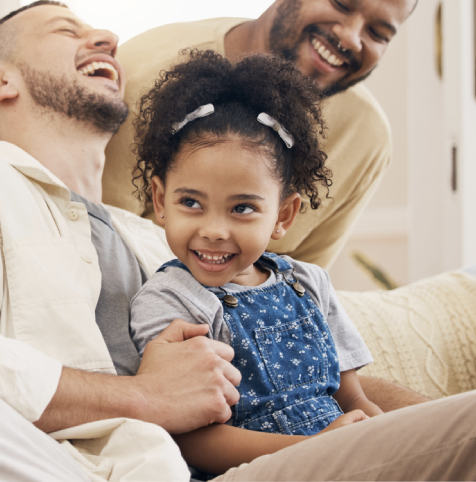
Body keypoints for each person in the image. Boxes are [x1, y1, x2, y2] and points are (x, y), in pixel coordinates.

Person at [0, 0, 476, 481]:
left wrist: (405, 417)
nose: (104, 37)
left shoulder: (154, 239)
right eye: (65, 30)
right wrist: (140, 398)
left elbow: (301, 370)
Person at [103, 0, 419, 271]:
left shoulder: (366, 136)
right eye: (340, 3)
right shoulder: (144, 73)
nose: (350, 37)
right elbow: (98, 244)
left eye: (377, 32)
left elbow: (305, 286)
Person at [129, 50, 381, 476]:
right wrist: (314, 449)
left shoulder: (308, 282)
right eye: (191, 202)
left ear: (282, 216)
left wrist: (387, 435)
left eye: (242, 208)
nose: (214, 230)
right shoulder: (172, 302)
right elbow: (191, 441)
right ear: (160, 201)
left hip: (340, 458)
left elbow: (352, 398)